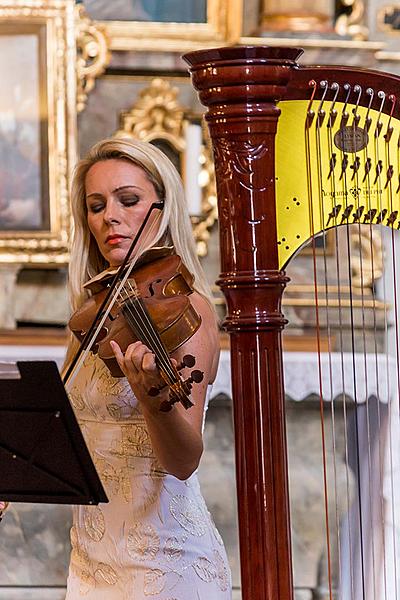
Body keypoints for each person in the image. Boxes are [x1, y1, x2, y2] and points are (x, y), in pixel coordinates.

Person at [63, 137, 232, 599]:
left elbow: (183, 461)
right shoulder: (91, 315)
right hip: (91, 563)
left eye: (128, 200)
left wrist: (151, 398)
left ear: (162, 207)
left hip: (166, 563)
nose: (109, 217)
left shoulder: (188, 311)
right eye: (95, 205)